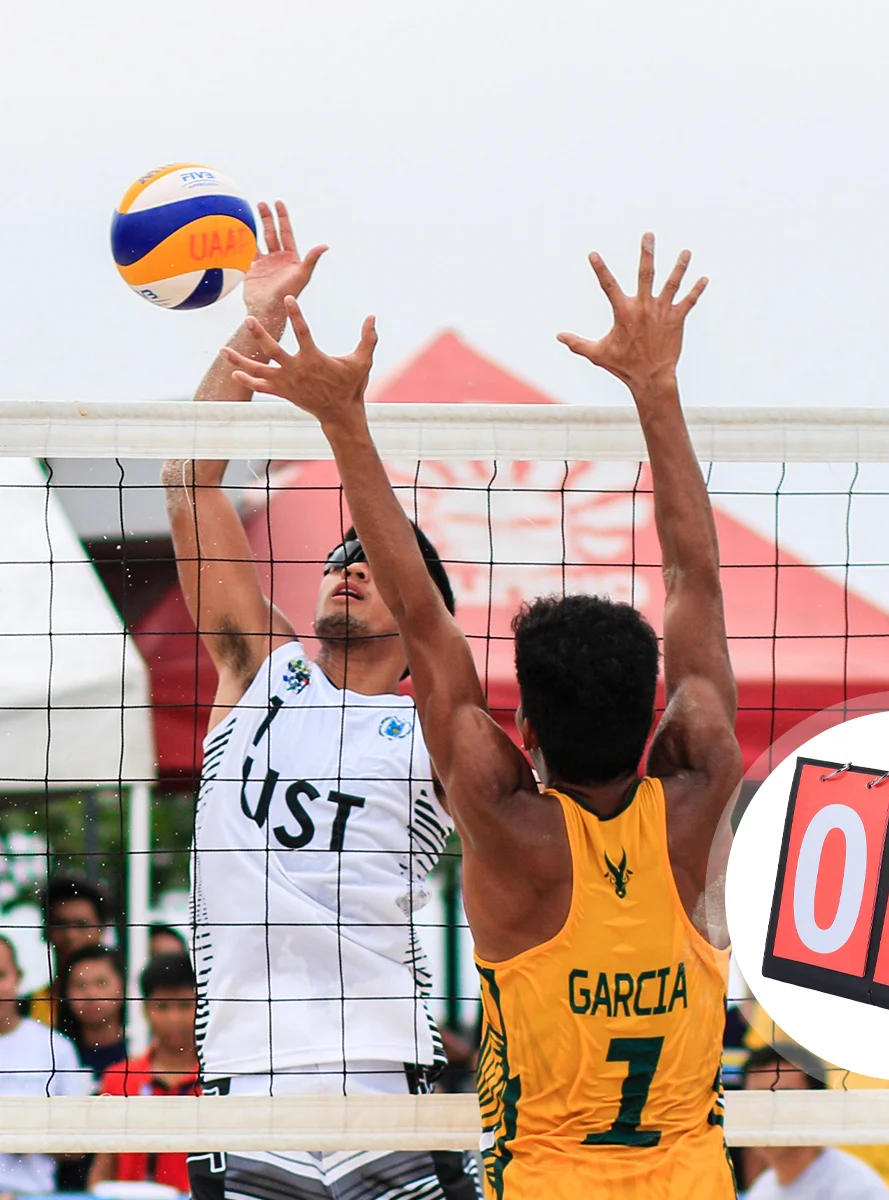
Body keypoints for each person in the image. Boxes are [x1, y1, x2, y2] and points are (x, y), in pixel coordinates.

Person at [222, 233, 744, 1198]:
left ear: (525, 733)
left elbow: (424, 619)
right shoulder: (700, 794)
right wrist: (657, 386)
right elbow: (695, 581)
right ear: (657, 719)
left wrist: (344, 424)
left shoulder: (511, 830)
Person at [162, 200, 477, 1200]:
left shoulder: (437, 730)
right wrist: (257, 319)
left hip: (390, 1090)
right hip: (245, 1092)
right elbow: (186, 478)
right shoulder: (264, 669)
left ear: (419, 614)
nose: (347, 565)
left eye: (371, 561)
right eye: (338, 555)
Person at [89, 953, 201, 1193]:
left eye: (185, 1006)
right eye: (162, 1006)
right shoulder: (119, 1078)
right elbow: (104, 1165)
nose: (174, 1018)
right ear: (145, 1009)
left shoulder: (217, 1081)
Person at [0, 934, 91, 1196]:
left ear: (18, 977)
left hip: (34, 1194)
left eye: (0, 975)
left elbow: (77, 1145)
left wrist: (24, 1134)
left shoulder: (56, 1047)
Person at [741, 1045, 889, 1199]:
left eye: (785, 1098)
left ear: (817, 1105)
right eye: (757, 1098)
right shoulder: (762, 1189)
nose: (769, 1111)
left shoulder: (858, 1191)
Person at [26, 873, 109, 1034]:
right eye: (60, 924)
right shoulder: (25, 1010)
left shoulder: (130, 1006)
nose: (70, 935)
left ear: (101, 930)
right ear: (45, 931)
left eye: (82, 925)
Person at [62, 945, 127, 1081]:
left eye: (101, 983)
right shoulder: (58, 1052)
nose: (91, 994)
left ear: (122, 989)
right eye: (80, 985)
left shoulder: (140, 1048)